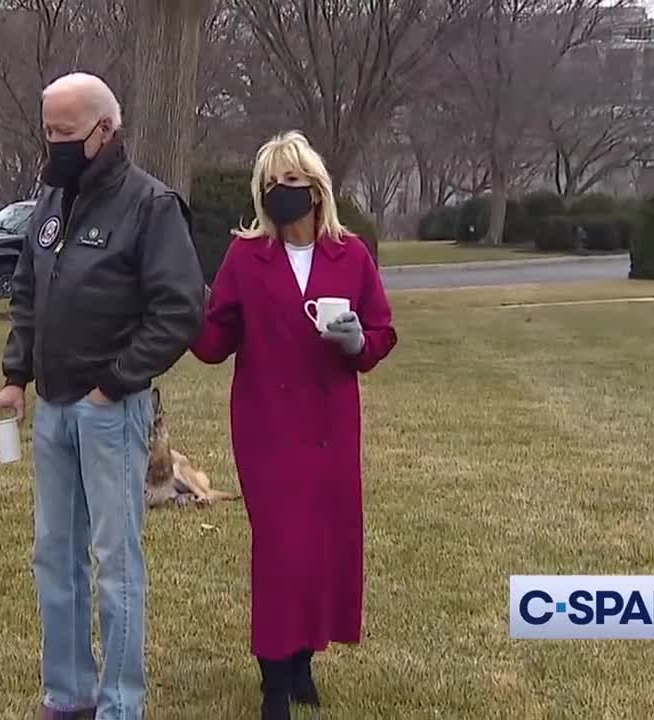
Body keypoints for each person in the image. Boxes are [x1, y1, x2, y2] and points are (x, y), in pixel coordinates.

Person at [0, 72, 206, 720]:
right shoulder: (52, 201)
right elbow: (27, 293)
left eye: (66, 133)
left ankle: (119, 705)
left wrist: (116, 383)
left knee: (115, 565)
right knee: (55, 556)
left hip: (111, 412)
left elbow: (180, 309)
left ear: (105, 131)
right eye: (47, 131)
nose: (54, 145)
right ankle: (68, 693)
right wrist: (15, 378)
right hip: (53, 411)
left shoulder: (151, 206)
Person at [187, 130, 397, 720]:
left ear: (317, 189)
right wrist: (180, 309)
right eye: (272, 185)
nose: (283, 193)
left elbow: (381, 333)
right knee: (279, 550)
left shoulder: (350, 255)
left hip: (330, 424)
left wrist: (359, 341)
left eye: (293, 183)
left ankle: (304, 660)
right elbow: (215, 339)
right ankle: (274, 679)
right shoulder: (244, 257)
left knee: (322, 547)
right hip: (267, 425)